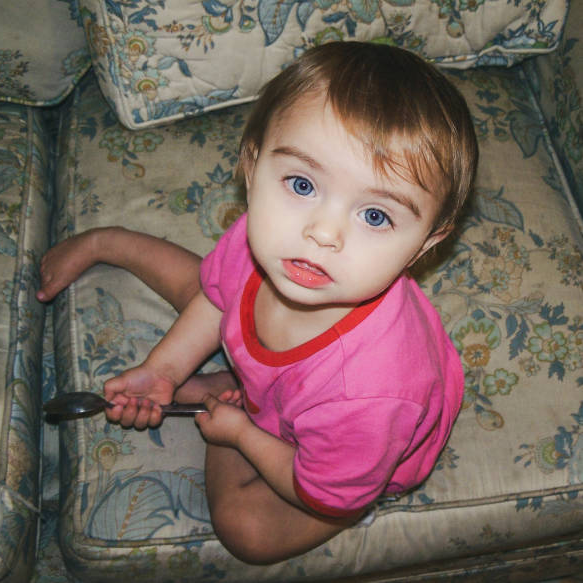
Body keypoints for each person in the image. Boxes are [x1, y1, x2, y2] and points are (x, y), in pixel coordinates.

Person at [37, 41, 478, 565]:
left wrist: (240, 433)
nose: (322, 232)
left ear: (427, 243)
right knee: (217, 290)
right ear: (252, 166)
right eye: (301, 183)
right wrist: (162, 369)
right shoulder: (271, 244)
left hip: (349, 449)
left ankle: (235, 394)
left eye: (376, 216)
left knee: (247, 532)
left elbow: (322, 492)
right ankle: (109, 241)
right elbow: (213, 300)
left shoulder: (371, 393)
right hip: (283, 375)